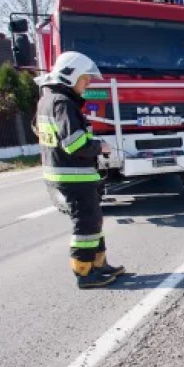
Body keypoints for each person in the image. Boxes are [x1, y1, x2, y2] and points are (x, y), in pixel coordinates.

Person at [35, 52, 124, 288]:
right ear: (69, 76)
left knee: (93, 221)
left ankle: (99, 264)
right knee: (85, 224)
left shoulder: (47, 100)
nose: (87, 85)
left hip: (69, 173)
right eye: (85, 80)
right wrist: (100, 146)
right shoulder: (62, 103)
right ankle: (84, 273)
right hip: (72, 175)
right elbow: (74, 144)